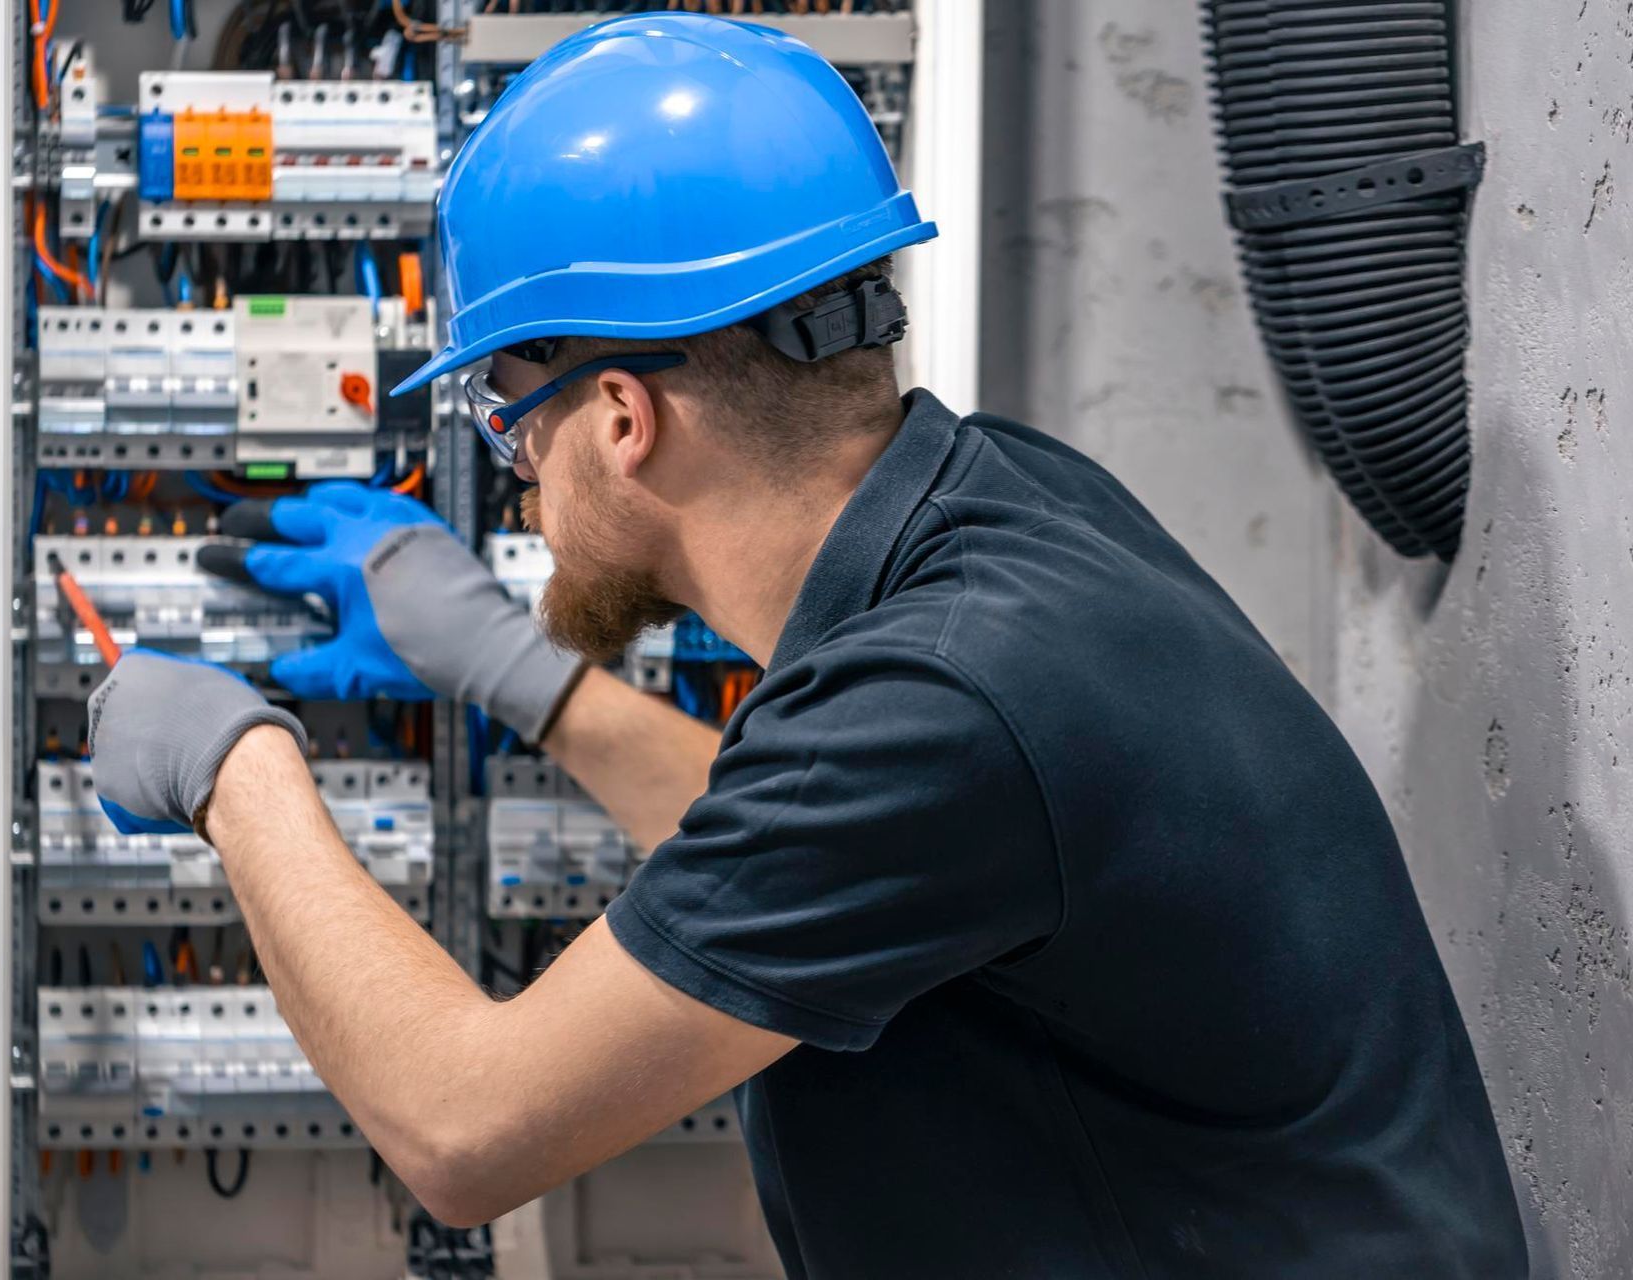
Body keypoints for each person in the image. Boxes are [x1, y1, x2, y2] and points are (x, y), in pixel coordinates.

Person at [86, 13, 1528, 1278]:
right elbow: (805, 830)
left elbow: (466, 1128)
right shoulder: (995, 517)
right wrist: (509, 668)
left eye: (507, 418)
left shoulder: (946, 695)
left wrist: (238, 769)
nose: (515, 475)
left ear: (622, 419)